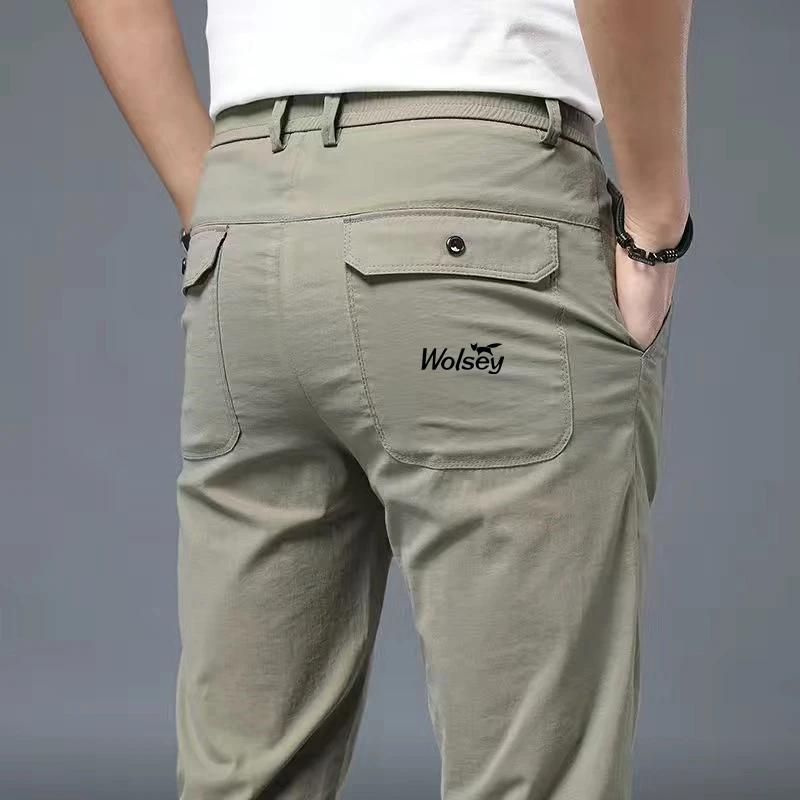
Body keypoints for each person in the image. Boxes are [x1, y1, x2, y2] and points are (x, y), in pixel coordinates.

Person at [69, 1, 693, 797]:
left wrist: (215, 199)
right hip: (478, 209)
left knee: (243, 777)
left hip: (247, 219)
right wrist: (656, 221)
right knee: (535, 774)